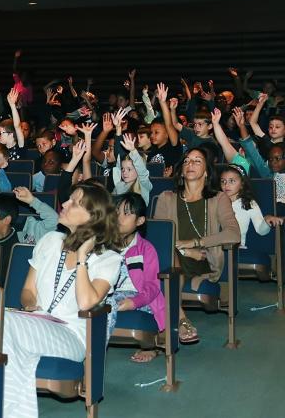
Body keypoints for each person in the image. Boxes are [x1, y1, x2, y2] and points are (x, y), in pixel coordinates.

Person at [2, 182, 122, 418]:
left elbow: (87, 302)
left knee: (2, 324)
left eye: (74, 202)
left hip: (71, 336)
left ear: (92, 217)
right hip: (35, 323)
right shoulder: (50, 241)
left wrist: (82, 258)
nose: (64, 204)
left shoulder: (109, 259)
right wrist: (28, 305)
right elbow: (27, 290)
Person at [152, 147, 240, 344]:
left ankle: (159, 331)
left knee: (164, 268)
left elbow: (233, 234)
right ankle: (181, 318)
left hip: (203, 261)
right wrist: (186, 251)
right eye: (186, 161)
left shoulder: (218, 198)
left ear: (207, 171)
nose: (190, 164)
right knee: (168, 263)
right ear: (182, 170)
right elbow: (160, 239)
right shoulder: (166, 198)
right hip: (175, 260)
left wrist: (195, 243)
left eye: (197, 161)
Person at [107, 193, 166, 363]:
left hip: (142, 300)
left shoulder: (145, 249)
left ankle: (90, 354)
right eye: (117, 212)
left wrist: (134, 302)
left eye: (127, 213)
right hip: (110, 295)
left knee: (103, 307)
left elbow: (152, 287)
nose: (119, 218)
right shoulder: (103, 245)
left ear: (140, 221)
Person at [219, 164, 282, 250]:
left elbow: (261, 230)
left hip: (236, 249)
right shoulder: (216, 201)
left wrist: (266, 221)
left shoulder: (248, 203)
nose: (226, 185)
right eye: (223, 181)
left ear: (242, 184)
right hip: (215, 248)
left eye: (232, 181)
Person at [113, 134, 153, 205]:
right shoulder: (119, 186)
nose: (124, 172)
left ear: (138, 169)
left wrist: (133, 151)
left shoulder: (144, 185)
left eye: (129, 169)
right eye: (122, 169)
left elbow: (142, 172)